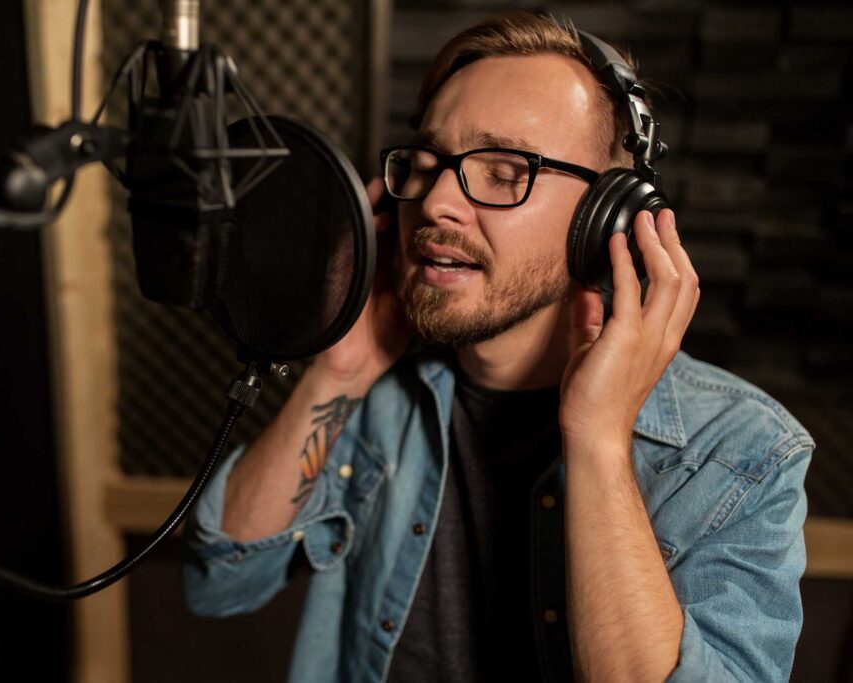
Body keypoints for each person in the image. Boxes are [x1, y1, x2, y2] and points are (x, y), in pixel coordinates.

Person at [182, 10, 813, 682]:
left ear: (608, 217)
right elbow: (220, 581)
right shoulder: (379, 393)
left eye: (504, 169)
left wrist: (598, 439)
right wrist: (341, 367)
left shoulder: (744, 453)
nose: (436, 203)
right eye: (428, 162)